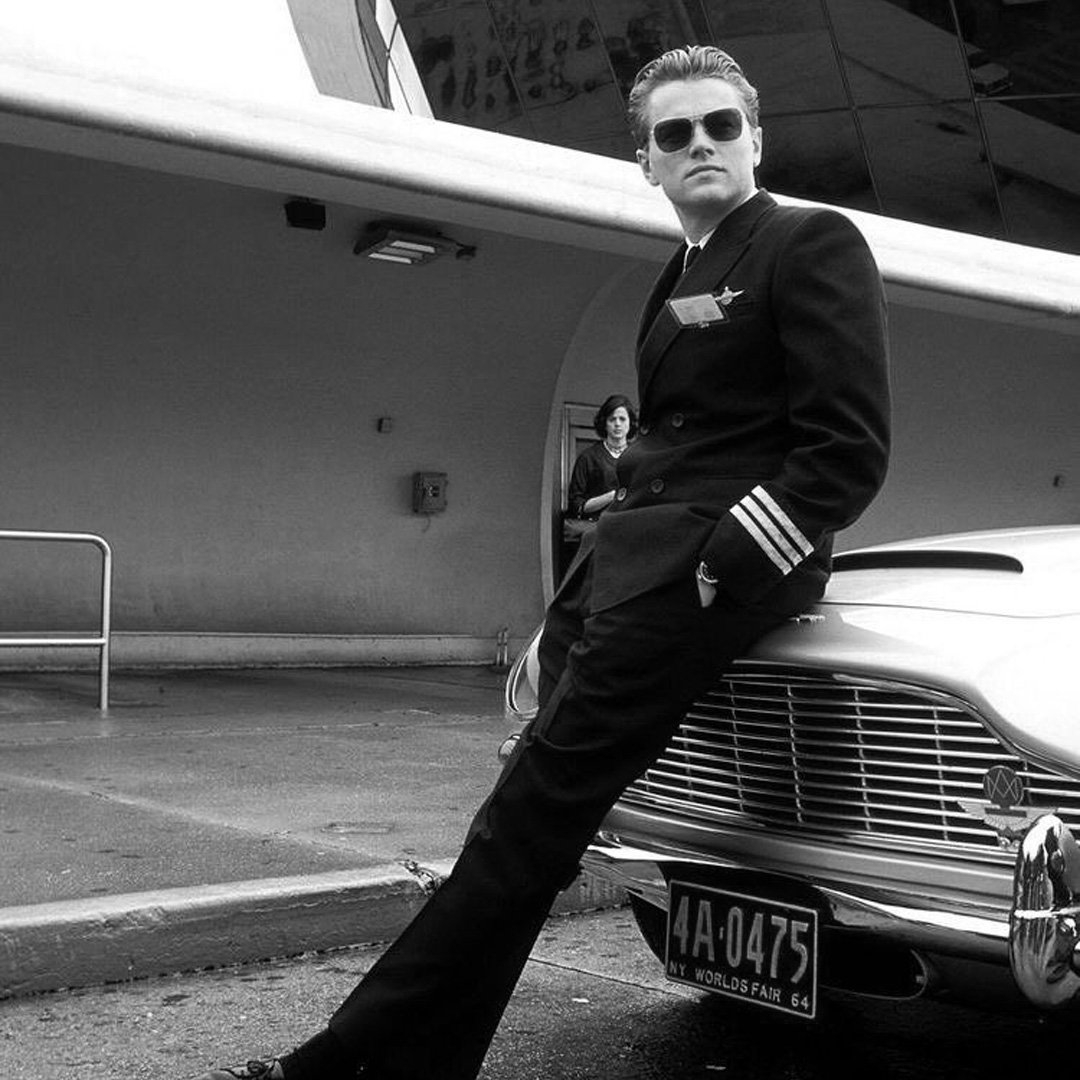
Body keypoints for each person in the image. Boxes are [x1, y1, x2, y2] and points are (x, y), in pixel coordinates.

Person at [195, 43, 890, 1080]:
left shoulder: (807, 241)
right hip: (625, 566)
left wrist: (728, 561)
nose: (700, 144)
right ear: (646, 162)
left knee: (529, 818)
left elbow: (847, 449)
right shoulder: (679, 272)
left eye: (721, 126)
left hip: (700, 573)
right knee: (521, 822)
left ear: (756, 140)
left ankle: (338, 1066)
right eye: (674, 133)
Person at [565, 394, 637, 524]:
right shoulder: (588, 458)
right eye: (612, 419)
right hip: (597, 528)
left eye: (622, 419)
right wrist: (612, 496)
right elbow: (576, 506)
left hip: (632, 526)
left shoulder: (639, 456)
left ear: (630, 423)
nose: (617, 424)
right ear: (604, 423)